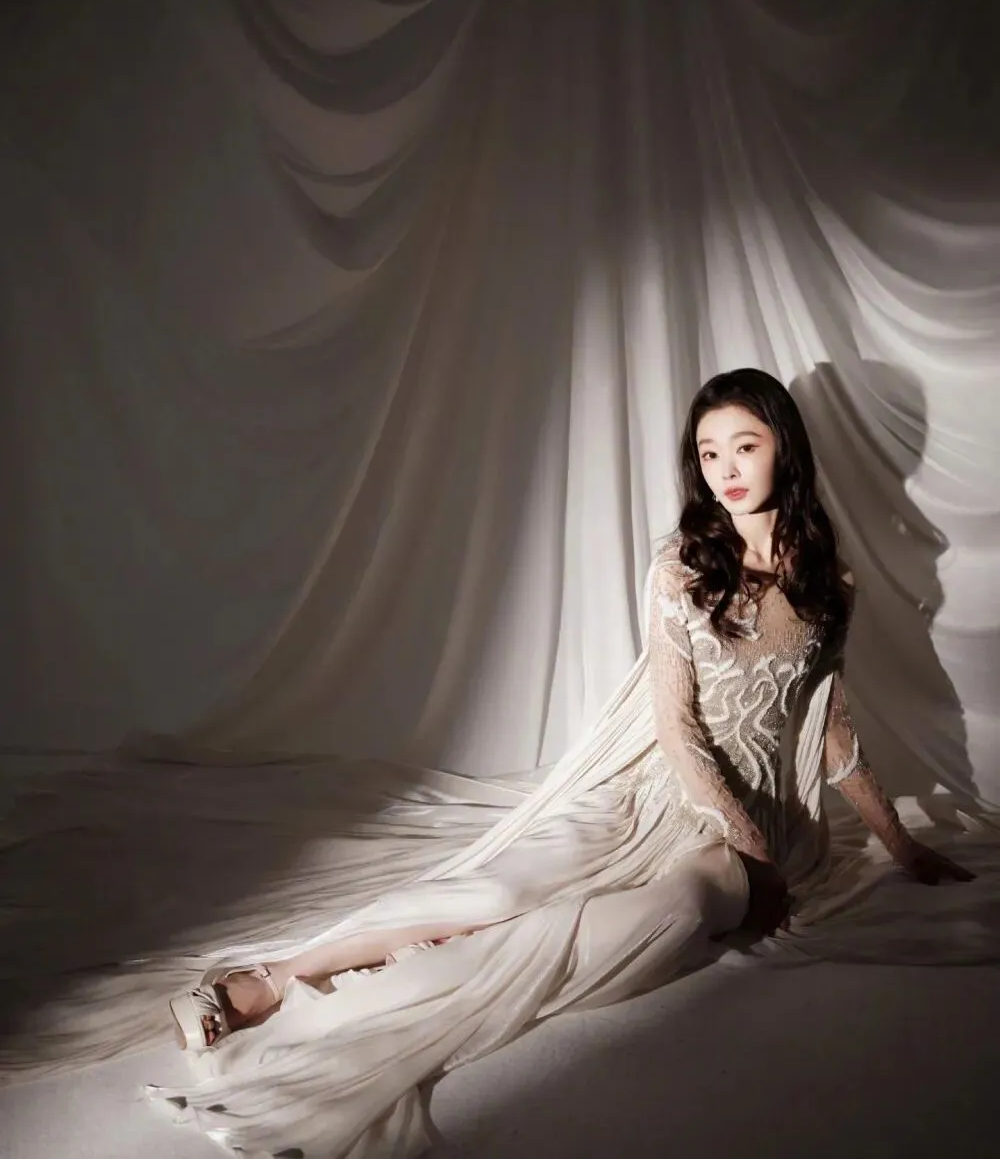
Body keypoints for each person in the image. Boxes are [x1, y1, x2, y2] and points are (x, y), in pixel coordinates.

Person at [157, 368, 973, 1159]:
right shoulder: (683, 568)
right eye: (708, 452)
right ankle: (268, 978)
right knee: (499, 892)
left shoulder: (830, 583)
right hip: (656, 796)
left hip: (752, 825)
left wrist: (899, 846)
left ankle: (351, 1018)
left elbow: (830, 725)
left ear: (784, 450)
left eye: (745, 446)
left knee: (665, 913)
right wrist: (757, 859)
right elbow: (677, 725)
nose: (724, 469)